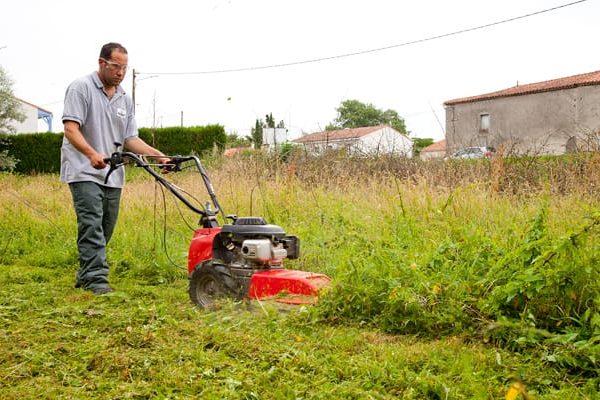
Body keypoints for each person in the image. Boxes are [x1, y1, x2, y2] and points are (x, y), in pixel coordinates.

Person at [61, 42, 168, 295]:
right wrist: (91, 154)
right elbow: (70, 128)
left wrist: (160, 157)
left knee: (106, 226)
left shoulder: (124, 99)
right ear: (102, 63)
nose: (121, 72)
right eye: (116, 66)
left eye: (124, 67)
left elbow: (130, 139)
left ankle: (86, 271)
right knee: (91, 224)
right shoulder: (81, 88)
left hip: (113, 174)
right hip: (84, 170)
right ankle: (96, 280)